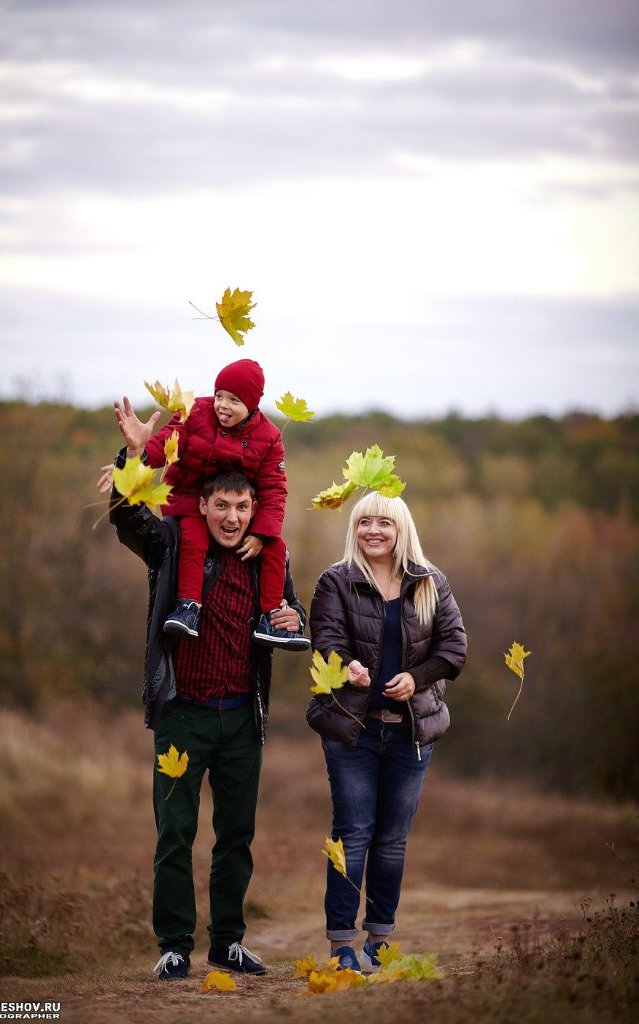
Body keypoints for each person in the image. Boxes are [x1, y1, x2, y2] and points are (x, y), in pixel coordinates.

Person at [108, 449, 308, 981]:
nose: (233, 517)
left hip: (243, 720)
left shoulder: (270, 557)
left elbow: (289, 613)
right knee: (174, 833)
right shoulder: (175, 546)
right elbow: (128, 519)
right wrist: (131, 458)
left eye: (243, 506)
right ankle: (174, 945)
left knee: (236, 836)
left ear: (254, 509)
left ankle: (227, 943)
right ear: (203, 505)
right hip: (183, 717)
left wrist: (295, 616)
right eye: (222, 505)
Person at [307, 491, 467, 973]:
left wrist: (418, 678)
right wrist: (349, 665)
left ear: (402, 530)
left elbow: (454, 649)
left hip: (410, 733)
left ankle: (380, 938)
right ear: (353, 529)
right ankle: (341, 945)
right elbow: (326, 638)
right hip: (351, 729)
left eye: (384, 523)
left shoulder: (430, 582)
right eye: (363, 523)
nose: (372, 531)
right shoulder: (336, 581)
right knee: (352, 833)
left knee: (393, 839)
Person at [111, 357, 309, 652]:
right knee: (193, 536)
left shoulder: (268, 437)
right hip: (188, 499)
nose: (222, 406)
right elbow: (166, 444)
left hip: (241, 696)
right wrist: (135, 457)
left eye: (233, 400)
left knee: (275, 545)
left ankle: (269, 620)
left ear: (252, 405)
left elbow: (274, 489)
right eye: (219, 396)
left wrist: (262, 534)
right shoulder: (195, 413)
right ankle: (188, 605)